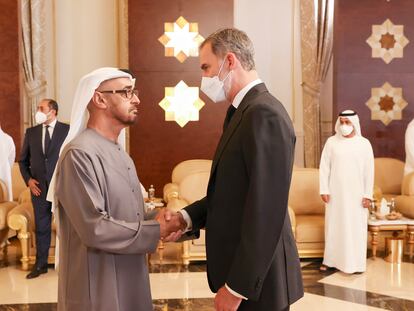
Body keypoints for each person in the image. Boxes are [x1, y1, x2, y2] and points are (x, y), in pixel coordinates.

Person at [164, 28, 304, 311]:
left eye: (206, 67)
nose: (203, 78)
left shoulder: (264, 113)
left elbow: (265, 209)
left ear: (230, 61)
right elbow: (232, 194)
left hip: (259, 284)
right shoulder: (241, 112)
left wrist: (238, 287)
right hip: (243, 273)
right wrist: (185, 217)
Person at [52, 67, 180, 311]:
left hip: (131, 279)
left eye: (135, 92)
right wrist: (155, 230)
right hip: (98, 289)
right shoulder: (79, 155)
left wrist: (164, 219)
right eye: (126, 92)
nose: (137, 99)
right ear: (99, 99)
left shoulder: (121, 154)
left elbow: (129, 216)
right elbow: (95, 227)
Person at [19, 99, 69, 279]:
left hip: (62, 188)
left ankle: (69, 265)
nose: (38, 111)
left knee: (68, 227)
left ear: (53, 111)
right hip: (39, 189)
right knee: (42, 227)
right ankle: (40, 265)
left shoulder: (67, 130)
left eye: (42, 108)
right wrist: (29, 181)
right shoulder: (31, 132)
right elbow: (23, 161)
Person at [319, 110, 374, 274]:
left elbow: (369, 171)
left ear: (354, 123)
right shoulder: (331, 142)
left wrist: (367, 195)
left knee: (355, 227)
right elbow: (324, 167)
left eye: (347, 122)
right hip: (335, 195)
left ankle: (355, 264)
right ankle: (330, 261)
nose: (344, 126)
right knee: (334, 226)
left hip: (357, 195)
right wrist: (324, 189)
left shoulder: (364, 144)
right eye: (341, 122)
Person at [0, 124, 15, 201]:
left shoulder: (8, 139)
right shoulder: (8, 139)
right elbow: (11, 162)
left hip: (4, 181)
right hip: (4, 177)